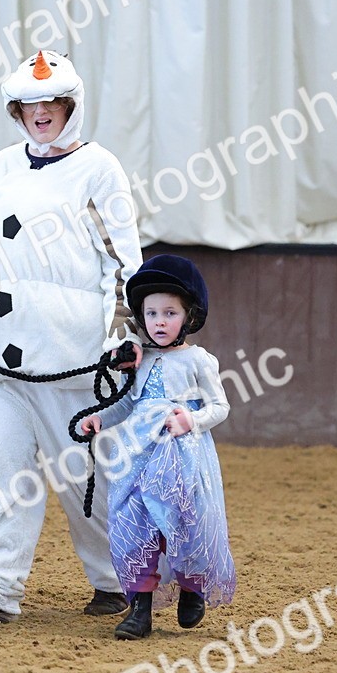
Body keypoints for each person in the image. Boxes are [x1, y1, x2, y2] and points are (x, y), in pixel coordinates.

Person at [0, 50, 144, 627]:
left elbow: (124, 260)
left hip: (71, 353)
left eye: (51, 103)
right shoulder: (4, 165)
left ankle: (120, 579)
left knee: (83, 473)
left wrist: (125, 331)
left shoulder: (100, 168)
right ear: (17, 110)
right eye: (29, 105)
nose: (40, 113)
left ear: (71, 106)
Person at [79, 254, 236, 639]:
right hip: (138, 455)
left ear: (189, 317)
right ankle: (141, 610)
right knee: (138, 524)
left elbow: (221, 406)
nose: (160, 322)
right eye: (152, 314)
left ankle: (192, 589)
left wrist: (191, 420)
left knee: (183, 520)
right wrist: (101, 417)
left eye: (169, 313)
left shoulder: (198, 360)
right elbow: (131, 403)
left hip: (181, 457)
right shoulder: (142, 359)